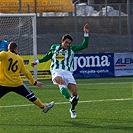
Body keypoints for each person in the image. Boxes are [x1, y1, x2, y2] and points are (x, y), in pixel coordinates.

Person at [31, 23, 89, 118]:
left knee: (75, 94)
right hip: (56, 70)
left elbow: (84, 45)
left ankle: (72, 108)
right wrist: (37, 62)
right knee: (60, 81)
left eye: (69, 43)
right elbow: (47, 56)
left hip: (68, 72)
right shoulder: (54, 47)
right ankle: (69, 99)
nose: (68, 44)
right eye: (66, 42)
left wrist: (86, 34)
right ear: (62, 41)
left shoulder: (72, 49)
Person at [0, 42, 54, 113]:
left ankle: (44, 107)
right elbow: (26, 72)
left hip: (3, 84)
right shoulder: (19, 59)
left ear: (8, 48)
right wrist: (34, 82)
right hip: (17, 84)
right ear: (16, 49)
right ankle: (44, 107)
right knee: (31, 96)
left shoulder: (4, 54)